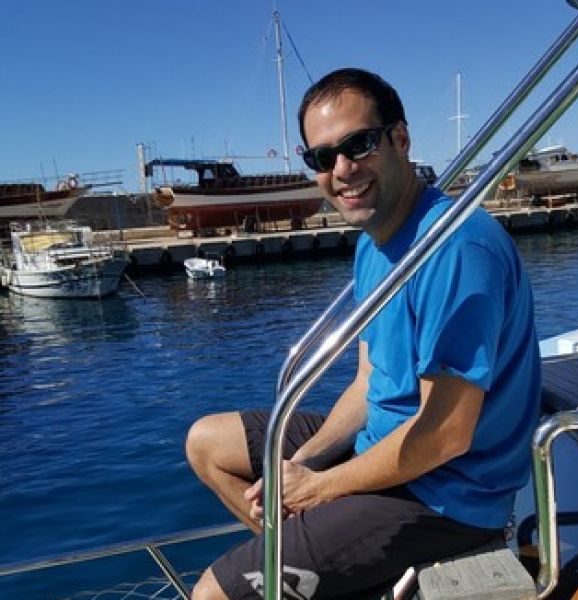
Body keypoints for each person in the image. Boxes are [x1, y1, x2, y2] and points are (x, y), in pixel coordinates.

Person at [186, 67, 541, 600]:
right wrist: (302, 464)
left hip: (446, 493)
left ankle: (298, 569)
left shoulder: (456, 249)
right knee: (206, 443)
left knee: (211, 596)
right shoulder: (374, 243)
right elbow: (369, 380)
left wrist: (319, 488)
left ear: (400, 139)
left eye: (359, 145)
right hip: (387, 445)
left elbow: (445, 435)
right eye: (322, 157)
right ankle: (305, 571)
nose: (342, 169)